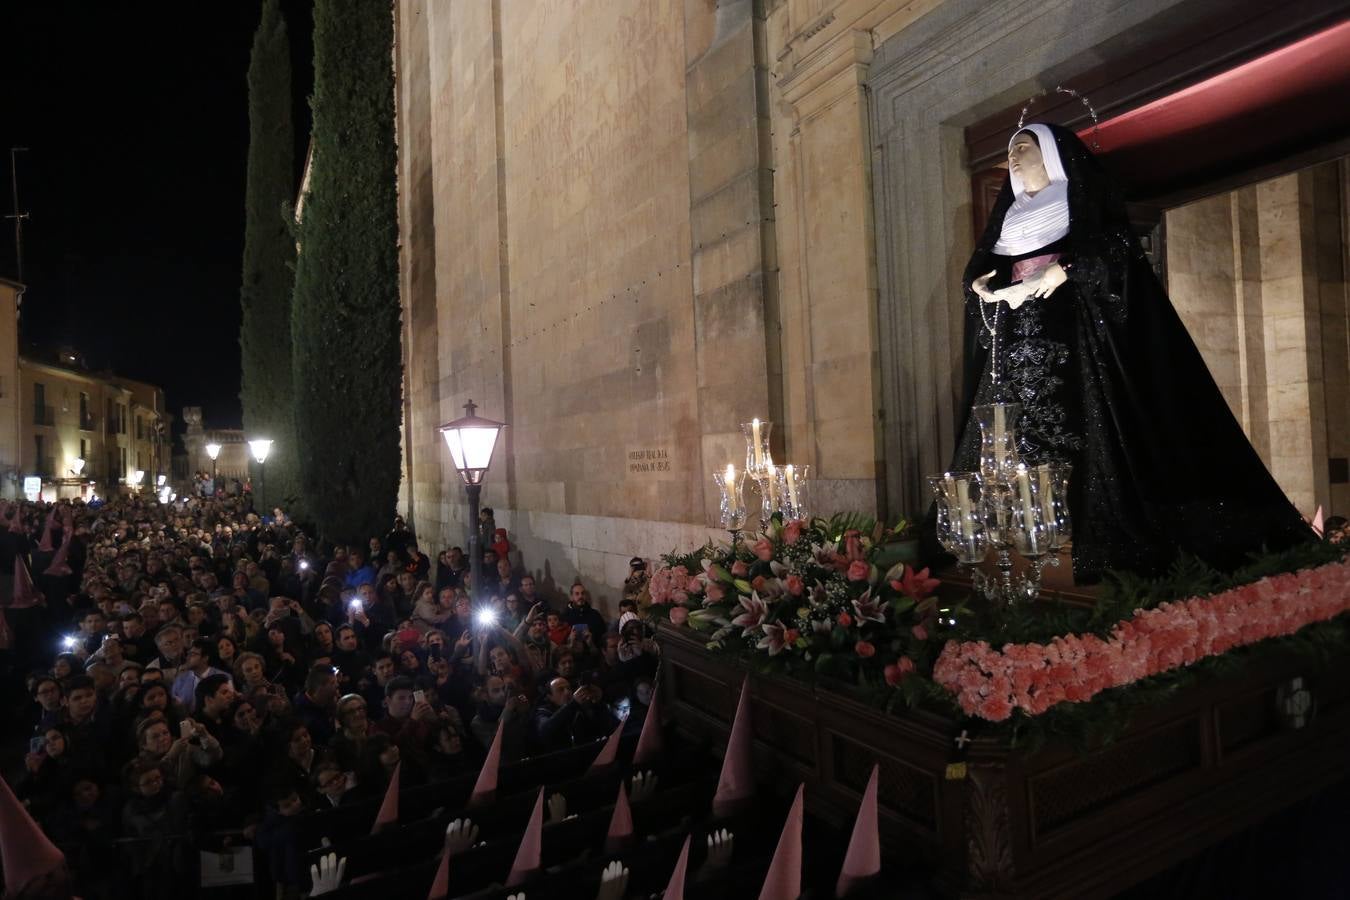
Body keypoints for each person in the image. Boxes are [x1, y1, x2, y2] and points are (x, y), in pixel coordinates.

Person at [951, 122, 1312, 581]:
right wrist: (980, 283)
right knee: (1016, 433)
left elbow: (1116, 249)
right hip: (1018, 338)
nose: (1015, 158)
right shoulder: (1010, 216)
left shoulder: (1081, 199)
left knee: (1085, 425)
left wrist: (1065, 271)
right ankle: (1026, 533)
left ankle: (1087, 536)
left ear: (1053, 154)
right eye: (1012, 151)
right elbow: (987, 266)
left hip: (1077, 337)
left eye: (1024, 147)